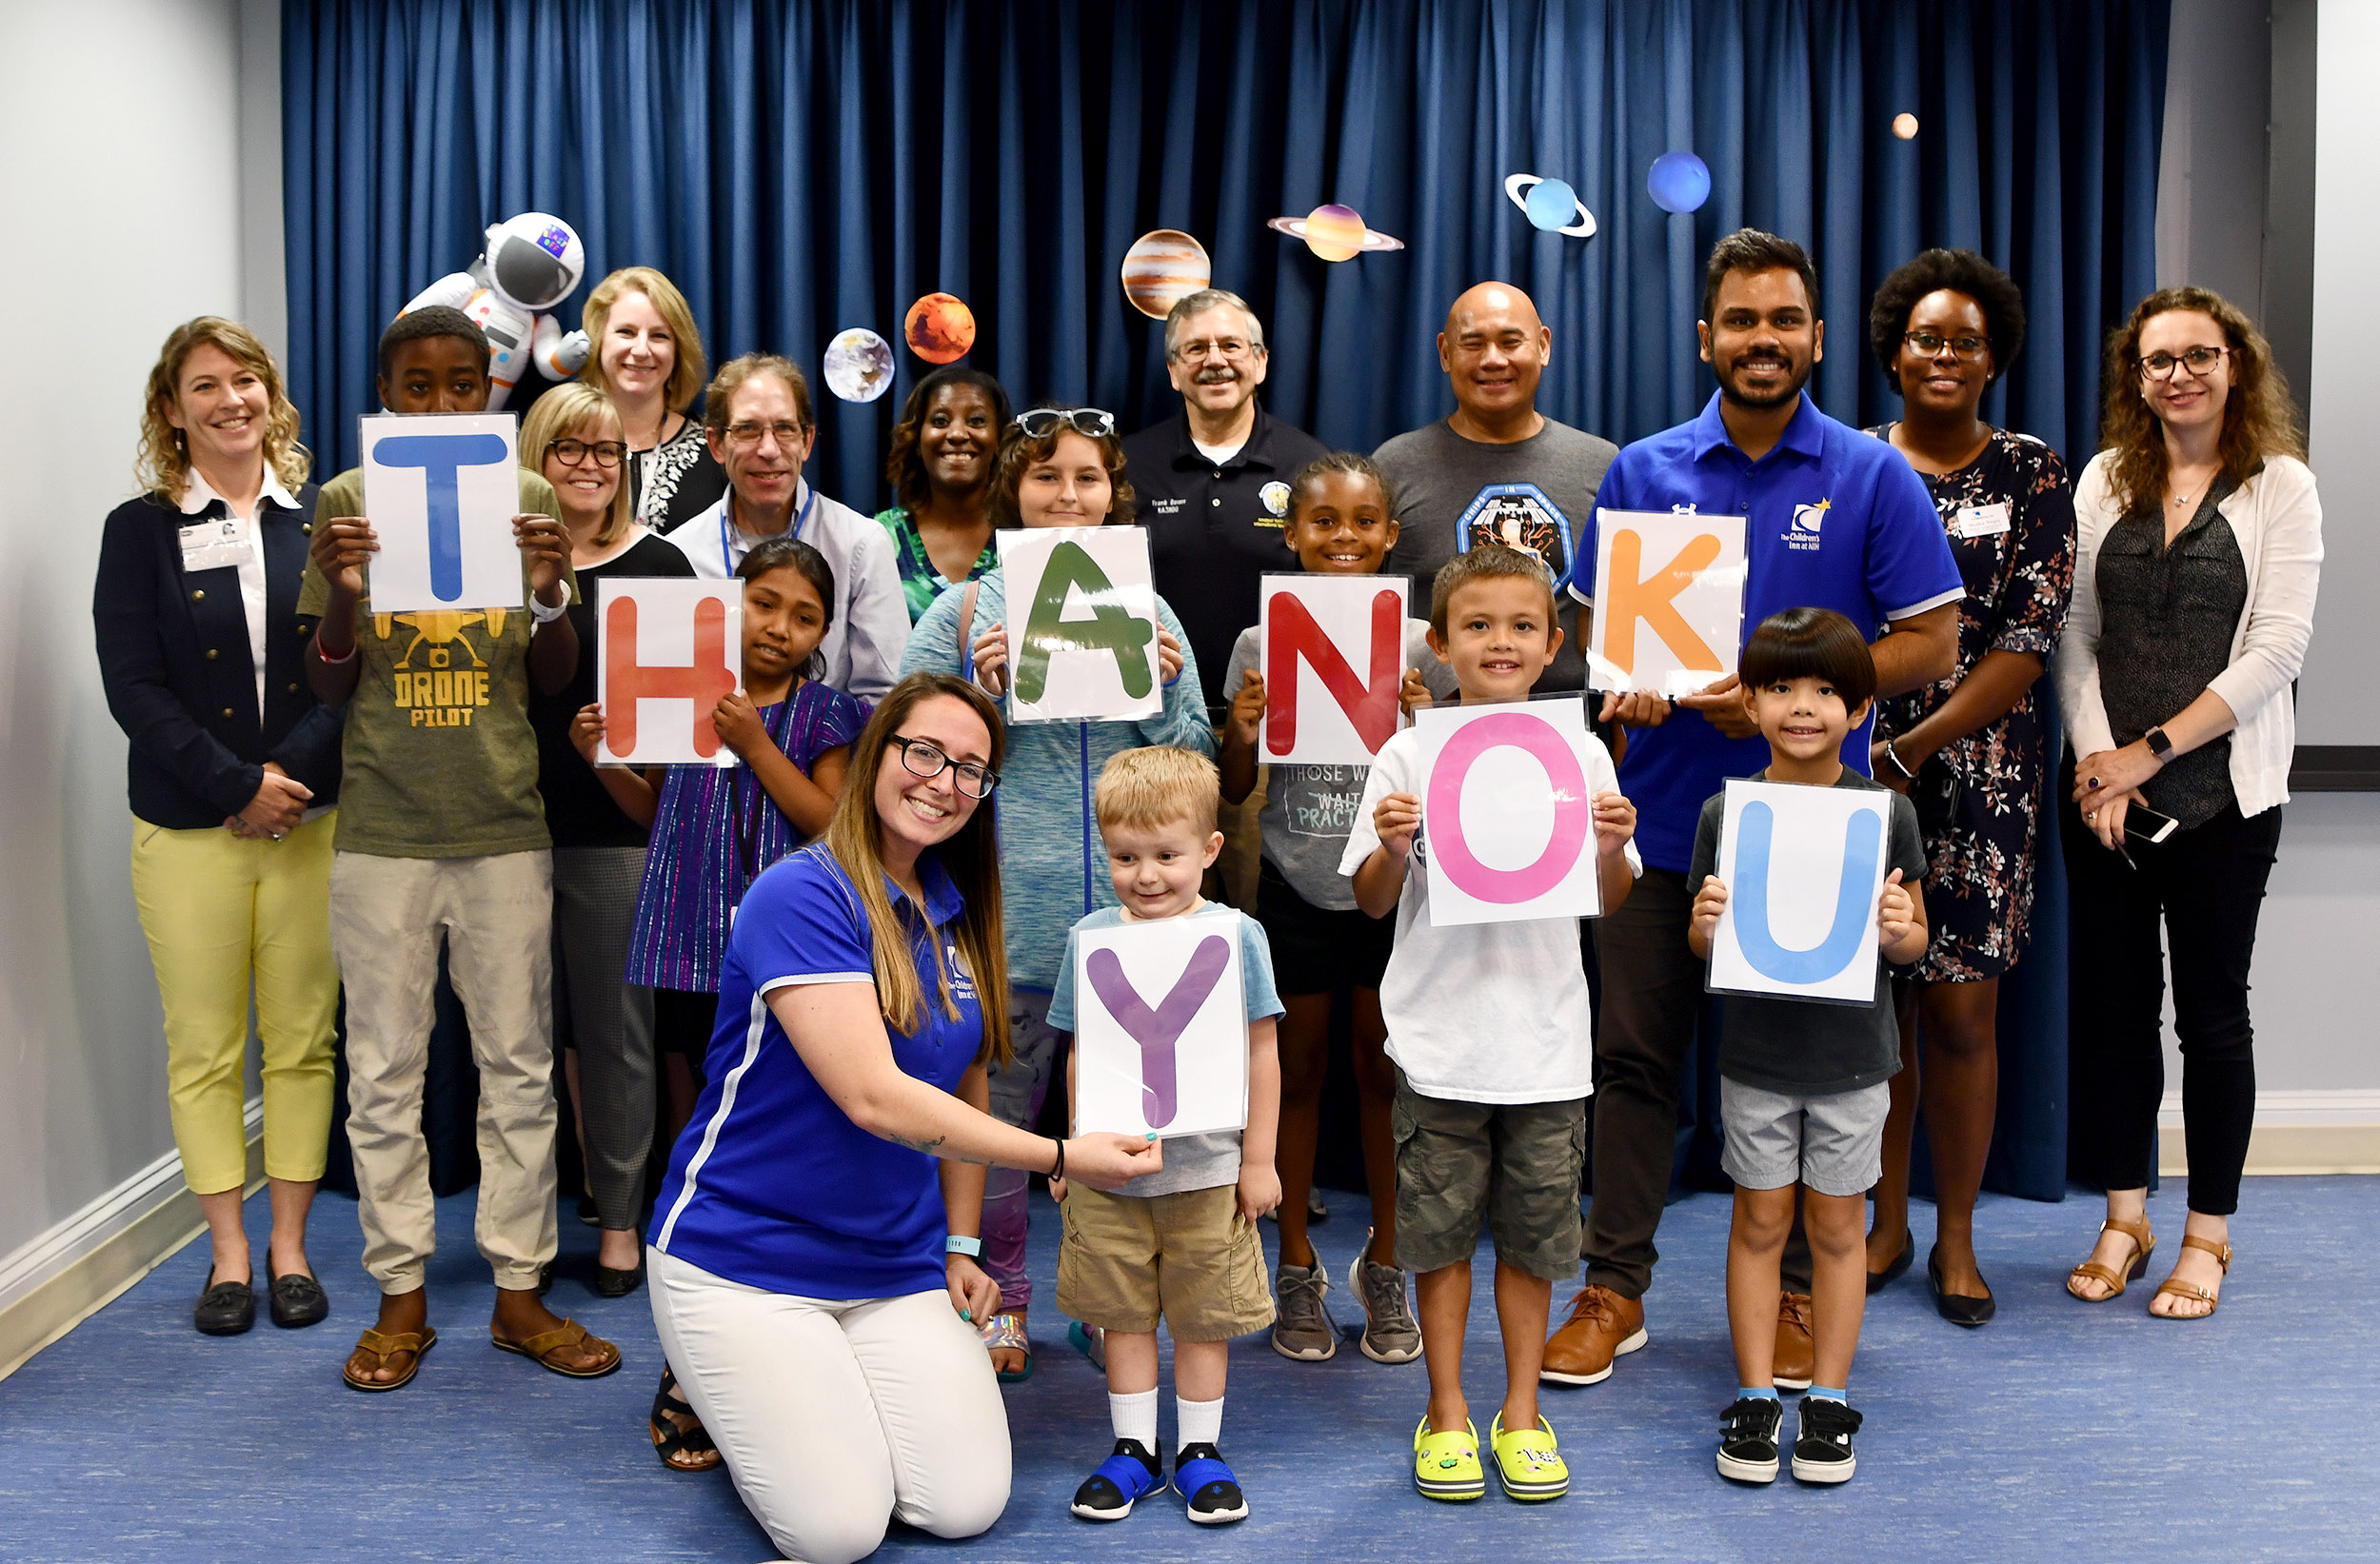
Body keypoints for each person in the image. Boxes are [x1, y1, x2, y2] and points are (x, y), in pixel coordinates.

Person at [1544, 230, 1961, 1393]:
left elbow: (1934, 637)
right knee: (1632, 1061)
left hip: (1812, 838)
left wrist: (1789, 704)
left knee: (1795, 1080)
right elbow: (1593, 628)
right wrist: (1621, 678)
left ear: (1816, 338)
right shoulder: (1643, 468)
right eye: (1741, 320)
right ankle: (1614, 1285)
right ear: (1706, 337)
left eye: (1783, 320)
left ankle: (1785, 1291)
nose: (1762, 340)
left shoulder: (1871, 474)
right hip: (1661, 824)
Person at [644, 672, 1165, 1564]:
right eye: (923, 751)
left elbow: (962, 1081)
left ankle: (793, 1393)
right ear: (878, 751)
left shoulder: (955, 911)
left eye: (971, 768)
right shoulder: (799, 893)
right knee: (839, 1530)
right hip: (744, 1256)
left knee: (963, 1504)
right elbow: (875, 1097)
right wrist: (1059, 1154)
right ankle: (713, 1383)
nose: (943, 780)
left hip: (893, 1263)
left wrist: (960, 1248)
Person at [301, 307, 618, 1389]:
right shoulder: (344, 502)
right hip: (383, 828)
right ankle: (399, 1294)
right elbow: (329, 680)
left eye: (460, 384)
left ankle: (518, 1288)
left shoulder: (527, 499)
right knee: (383, 1069)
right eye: (417, 385)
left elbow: (553, 676)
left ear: (490, 390)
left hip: (500, 826)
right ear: (387, 395)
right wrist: (342, 594)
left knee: (518, 1066)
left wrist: (549, 588)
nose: (439, 401)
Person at [901, 406, 1214, 1379]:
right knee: (998, 1130)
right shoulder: (958, 614)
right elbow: (901, 763)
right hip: (1013, 924)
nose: (1066, 496)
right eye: (1045, 479)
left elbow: (1196, 763)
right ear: (1012, 494)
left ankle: (1106, 1302)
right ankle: (1003, 1295)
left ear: (1112, 495)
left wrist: (1162, 695)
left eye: (1085, 478)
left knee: (1119, 1135)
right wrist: (977, 698)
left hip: (1136, 930)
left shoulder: (1153, 616)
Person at [1342, 544, 1640, 1504]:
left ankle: (1519, 1412)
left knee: (1534, 1240)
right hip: (1438, 1042)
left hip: (1546, 1047)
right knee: (1434, 1237)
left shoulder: (1580, 748)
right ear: (1438, 644)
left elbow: (1609, 899)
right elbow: (1370, 899)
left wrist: (1612, 844)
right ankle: (1443, 1410)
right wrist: (1390, 845)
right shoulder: (1406, 750)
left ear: (1554, 643)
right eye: (1476, 625)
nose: (1499, 642)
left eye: (1521, 625)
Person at [2057, 287, 2321, 1319]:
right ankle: (2125, 1217)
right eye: (2158, 359)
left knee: (2211, 1019)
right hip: (2106, 806)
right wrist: (2098, 767)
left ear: (2233, 366)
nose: (2179, 374)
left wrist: (2147, 753)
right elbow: (2073, 635)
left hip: (2224, 802)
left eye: (2198, 355)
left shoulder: (2280, 486)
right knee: (2116, 1015)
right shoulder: (2103, 480)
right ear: (2137, 376)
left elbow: (2277, 651)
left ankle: (2208, 1234)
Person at [95, 316, 343, 1336]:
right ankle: (227, 1255)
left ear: (270, 398)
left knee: (301, 1043)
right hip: (189, 824)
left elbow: (354, 664)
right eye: (205, 385)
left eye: (246, 380)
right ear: (172, 408)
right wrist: (235, 782)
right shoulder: (138, 528)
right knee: (202, 1046)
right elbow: (134, 687)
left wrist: (286, 775)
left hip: (309, 820)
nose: (230, 399)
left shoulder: (323, 520)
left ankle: (288, 1246)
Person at [1858, 249, 2075, 1324]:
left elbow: (2027, 639)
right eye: (1926, 337)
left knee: (1959, 1012)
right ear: (1893, 350)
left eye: (1966, 340)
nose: (1944, 354)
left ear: (1994, 358)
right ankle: (1884, 1220)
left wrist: (1919, 746)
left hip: (1983, 775)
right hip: (1851, 767)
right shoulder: (1852, 462)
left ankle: (1954, 1237)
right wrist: (1878, 753)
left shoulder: (2032, 472)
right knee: (1874, 1011)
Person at [1217, 452, 1453, 1365]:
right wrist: (1240, 732)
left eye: (1364, 523)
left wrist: (1430, 719)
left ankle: (1386, 1264)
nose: (1344, 539)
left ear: (1392, 535)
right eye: (1324, 523)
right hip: (1295, 877)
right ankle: (1297, 1263)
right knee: (1298, 1074)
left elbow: (1453, 785)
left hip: (1394, 884)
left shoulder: (1425, 642)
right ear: (1293, 534)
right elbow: (1237, 788)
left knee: (1386, 1074)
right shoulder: (1254, 642)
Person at [1691, 609, 1930, 1488]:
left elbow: (1912, 944)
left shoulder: (1885, 812)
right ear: (1750, 703)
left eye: (1827, 689)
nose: (1804, 706)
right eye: (1783, 688)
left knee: (1837, 1225)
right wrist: (1704, 925)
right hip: (1755, 1059)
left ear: (1860, 708)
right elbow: (1700, 939)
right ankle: (1756, 1393)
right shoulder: (1727, 811)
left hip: (1854, 1063)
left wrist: (1903, 928)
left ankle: (1827, 1398)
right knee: (1757, 1221)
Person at [1048, 746, 1282, 1526]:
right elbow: (1081, 1049)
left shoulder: (1237, 934)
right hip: (1112, 1175)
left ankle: (1200, 1450)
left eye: (1167, 855)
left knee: (1202, 1310)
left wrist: (1259, 1158)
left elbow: (1260, 1052)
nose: (1146, 875)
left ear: (1210, 851)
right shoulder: (1089, 937)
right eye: (1125, 856)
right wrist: (1071, 1147)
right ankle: (1133, 1448)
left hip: (1209, 1171)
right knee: (1121, 1310)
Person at [521, 381, 696, 1294]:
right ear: (535, 461)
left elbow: (680, 730)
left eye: (603, 450)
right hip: (501, 830)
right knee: (519, 1041)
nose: (588, 466)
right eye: (566, 449)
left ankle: (621, 1220)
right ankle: (525, 1226)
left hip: (614, 836)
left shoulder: (662, 567)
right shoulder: (490, 566)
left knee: (620, 1037)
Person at [1372, 282, 1618, 695]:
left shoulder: (1604, 464)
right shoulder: (1394, 467)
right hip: (1435, 732)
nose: (1493, 360)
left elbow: (1622, 614)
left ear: (1543, 346)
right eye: (1472, 344)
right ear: (1445, 353)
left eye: (1510, 341)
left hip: (1574, 734)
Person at [1121, 288, 1329, 720]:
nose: (1215, 361)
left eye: (1231, 345)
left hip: (1278, 721)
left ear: (1260, 362)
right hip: (1155, 720)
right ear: (1173, 371)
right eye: (1195, 348)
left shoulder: (1313, 468)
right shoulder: (1125, 466)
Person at [663, 353, 906, 700]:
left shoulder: (860, 545)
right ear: (716, 444)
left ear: (807, 441)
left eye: (785, 429)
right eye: (747, 430)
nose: (768, 449)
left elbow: (885, 694)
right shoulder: (680, 553)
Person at [579, 266, 725, 535]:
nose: (641, 350)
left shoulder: (717, 453)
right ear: (598, 340)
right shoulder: (562, 449)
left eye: (659, 336)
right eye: (626, 332)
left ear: (678, 350)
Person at [872, 366, 1013, 622]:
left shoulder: (1023, 537)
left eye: (976, 421)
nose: (958, 434)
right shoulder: (876, 539)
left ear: (999, 440)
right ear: (917, 439)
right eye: (940, 421)